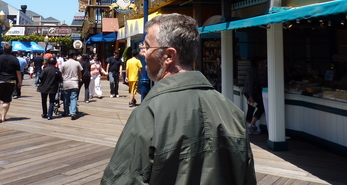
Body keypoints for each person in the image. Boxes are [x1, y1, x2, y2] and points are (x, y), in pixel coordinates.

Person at [101, 14, 256, 184]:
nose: (143, 53)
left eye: (146, 46)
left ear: (168, 56)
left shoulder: (150, 114)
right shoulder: (232, 111)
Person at [0, 43, 22, 123]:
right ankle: (3, 117)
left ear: (3, 49)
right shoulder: (15, 59)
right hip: (11, 80)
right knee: (7, 100)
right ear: (11, 50)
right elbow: (18, 72)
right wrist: (19, 81)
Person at [242, 58, 264, 135]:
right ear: (257, 62)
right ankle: (251, 124)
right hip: (251, 93)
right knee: (261, 107)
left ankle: (249, 126)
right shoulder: (253, 71)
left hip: (248, 92)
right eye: (261, 62)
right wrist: (251, 96)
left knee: (251, 108)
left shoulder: (251, 70)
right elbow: (250, 83)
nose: (262, 64)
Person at [60, 50, 82, 120]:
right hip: (74, 82)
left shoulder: (64, 64)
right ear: (74, 56)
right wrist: (80, 78)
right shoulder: (77, 63)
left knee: (65, 98)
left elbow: (61, 72)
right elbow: (80, 72)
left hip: (66, 82)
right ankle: (73, 112)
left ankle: (66, 111)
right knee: (74, 98)